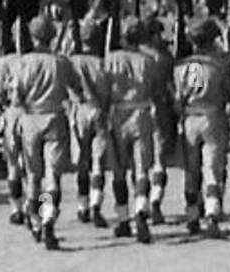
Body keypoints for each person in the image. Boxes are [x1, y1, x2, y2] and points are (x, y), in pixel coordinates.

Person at [12, 13, 78, 250]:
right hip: (54, 118)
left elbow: (15, 97)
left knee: (33, 174)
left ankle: (35, 217)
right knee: (53, 175)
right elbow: (76, 89)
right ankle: (49, 217)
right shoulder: (61, 62)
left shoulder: (22, 63)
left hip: (30, 119)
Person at [172, 16, 230, 237]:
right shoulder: (218, 64)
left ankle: (191, 215)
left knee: (192, 170)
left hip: (190, 118)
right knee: (212, 169)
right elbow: (228, 92)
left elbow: (181, 96)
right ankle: (212, 213)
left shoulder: (183, 66)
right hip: (212, 117)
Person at [103, 18, 159, 243]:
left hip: (118, 115)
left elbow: (103, 89)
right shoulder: (149, 61)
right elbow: (155, 89)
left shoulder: (110, 60)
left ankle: (123, 218)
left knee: (118, 171)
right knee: (141, 168)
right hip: (141, 114)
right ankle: (141, 210)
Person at [67, 14, 112, 226]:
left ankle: (82, 205)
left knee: (81, 162)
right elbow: (106, 92)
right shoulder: (102, 64)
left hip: (78, 111)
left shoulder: (71, 62)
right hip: (98, 110)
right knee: (98, 162)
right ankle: (96, 203)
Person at [0, 19, 28, 226]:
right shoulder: (38, 59)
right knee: (38, 170)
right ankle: (37, 209)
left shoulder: (4, 62)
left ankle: (16, 208)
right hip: (34, 115)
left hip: (13, 115)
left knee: (13, 165)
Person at [139, 15, 174, 222]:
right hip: (159, 108)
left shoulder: (136, 56)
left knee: (141, 162)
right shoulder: (164, 58)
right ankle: (155, 200)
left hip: (138, 110)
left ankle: (140, 203)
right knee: (160, 161)